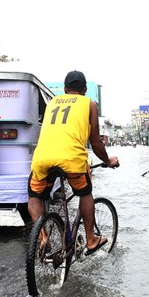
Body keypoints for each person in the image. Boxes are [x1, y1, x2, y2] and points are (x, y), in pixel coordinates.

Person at [28, 70, 119, 255]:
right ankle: (91, 239)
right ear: (85, 89)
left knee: (34, 196)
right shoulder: (89, 104)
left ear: (65, 89)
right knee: (85, 194)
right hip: (72, 159)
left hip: (42, 158)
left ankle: (42, 237)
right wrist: (108, 160)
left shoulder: (52, 102)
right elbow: (95, 142)